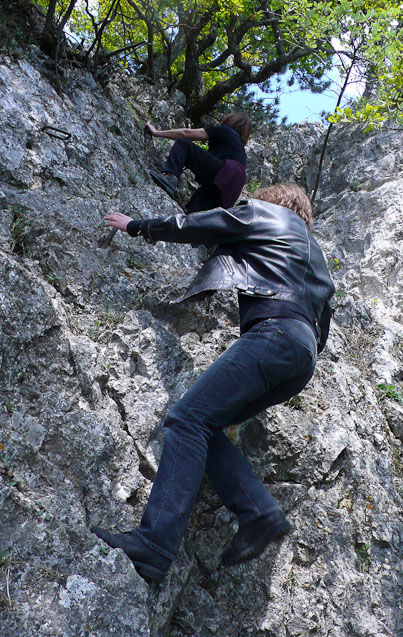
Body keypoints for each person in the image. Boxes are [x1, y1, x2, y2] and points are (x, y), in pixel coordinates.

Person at [91, 183, 335, 583]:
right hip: (302, 356)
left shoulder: (261, 214)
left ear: (271, 201)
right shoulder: (317, 255)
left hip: (274, 334)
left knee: (186, 420)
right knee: (205, 426)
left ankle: (154, 543)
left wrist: (138, 226)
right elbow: (322, 323)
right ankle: (258, 513)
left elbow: (202, 223)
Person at [144, 112, 252, 213]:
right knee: (195, 214)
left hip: (225, 171)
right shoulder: (240, 150)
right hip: (232, 189)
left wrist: (157, 133)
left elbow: (185, 134)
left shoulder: (225, 130)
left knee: (184, 144)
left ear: (230, 121)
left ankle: (170, 179)